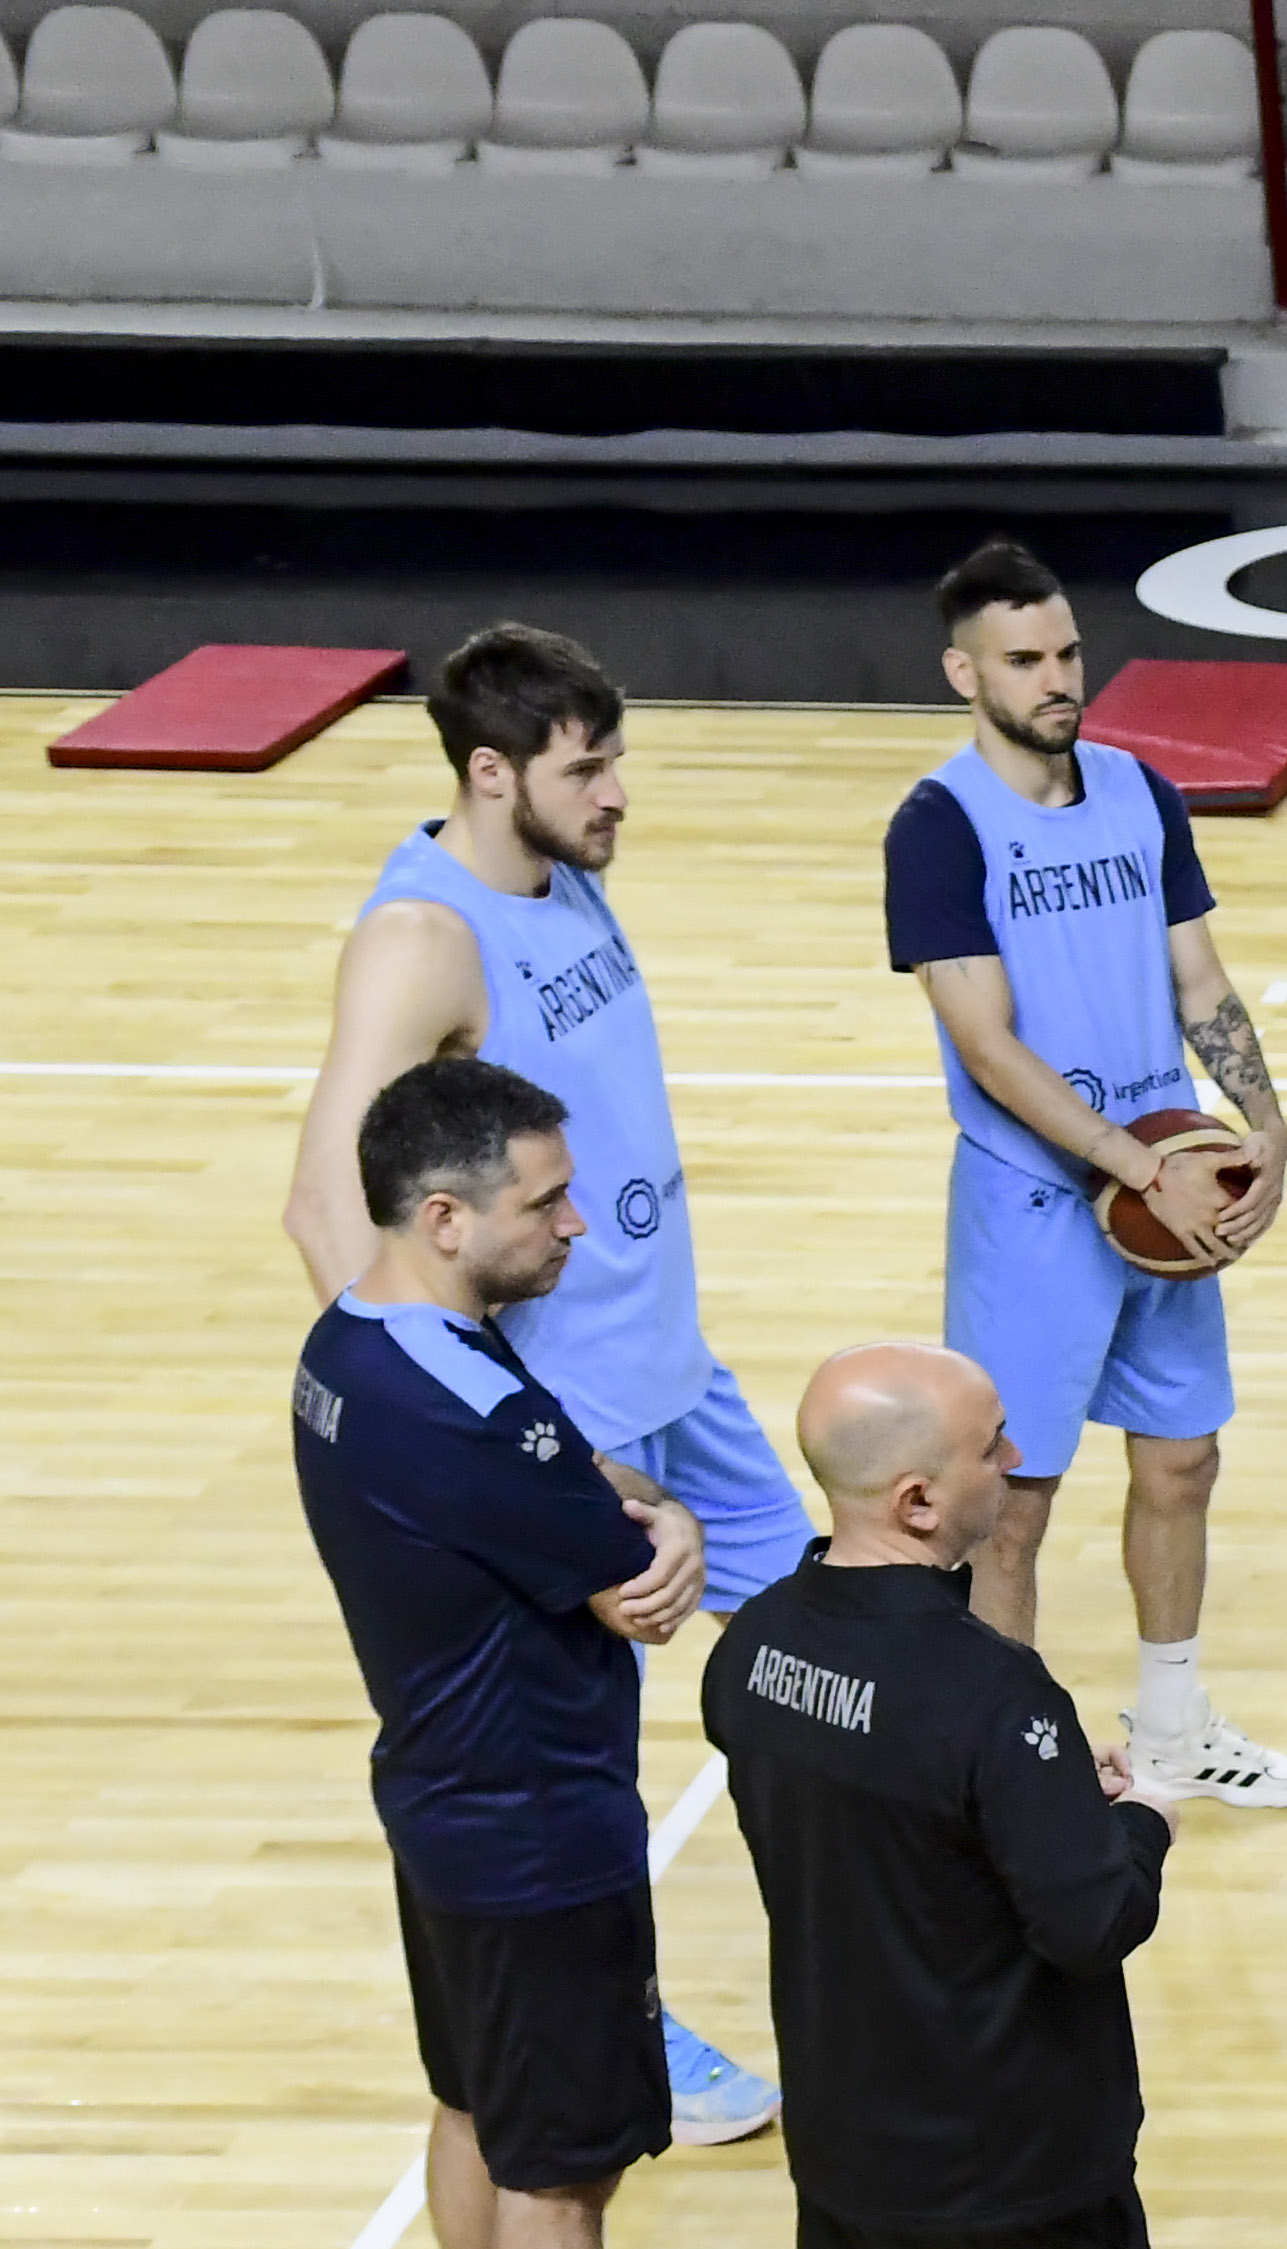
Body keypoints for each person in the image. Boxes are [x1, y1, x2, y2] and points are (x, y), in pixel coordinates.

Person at [290, 1056, 812, 2249]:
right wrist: (671, 1525)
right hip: (538, 1829)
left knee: (473, 2105)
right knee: (562, 2177)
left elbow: (584, 1491)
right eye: (544, 1203)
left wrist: (616, 1504)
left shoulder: (352, 1346)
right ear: (444, 1217)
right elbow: (631, 1556)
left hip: (443, 1802)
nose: (579, 1225)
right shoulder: (470, 1413)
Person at [285, 624, 800, 2155]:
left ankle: (886, 1934)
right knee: (588, 1763)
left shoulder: (563, 878)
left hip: (673, 1369)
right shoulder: (419, 940)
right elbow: (329, 1211)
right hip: (571, 1416)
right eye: (588, 769)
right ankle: (631, 2020)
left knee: (834, 1628)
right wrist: (510, 1445)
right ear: (490, 773)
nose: (619, 793)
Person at [704, 1346, 1175, 2249]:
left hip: (850, 2119)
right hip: (1007, 2137)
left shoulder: (754, 1649)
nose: (1014, 1454)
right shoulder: (990, 1695)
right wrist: (1135, 1820)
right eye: (992, 1446)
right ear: (918, 1498)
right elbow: (1086, 1918)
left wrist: (1034, 1805)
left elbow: (896, 1824)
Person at [886, 537, 1287, 1807]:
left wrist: (1264, 1119)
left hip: (1164, 1200)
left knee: (1183, 1460)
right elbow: (984, 1038)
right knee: (1010, 1506)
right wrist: (1135, 1164)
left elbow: (1199, 978)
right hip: (1038, 1211)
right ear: (964, 673)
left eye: (1068, 652)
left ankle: (1177, 1730)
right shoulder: (938, 826)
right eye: (1025, 660)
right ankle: (1017, 1775)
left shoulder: (1141, 790)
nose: (1057, 678)